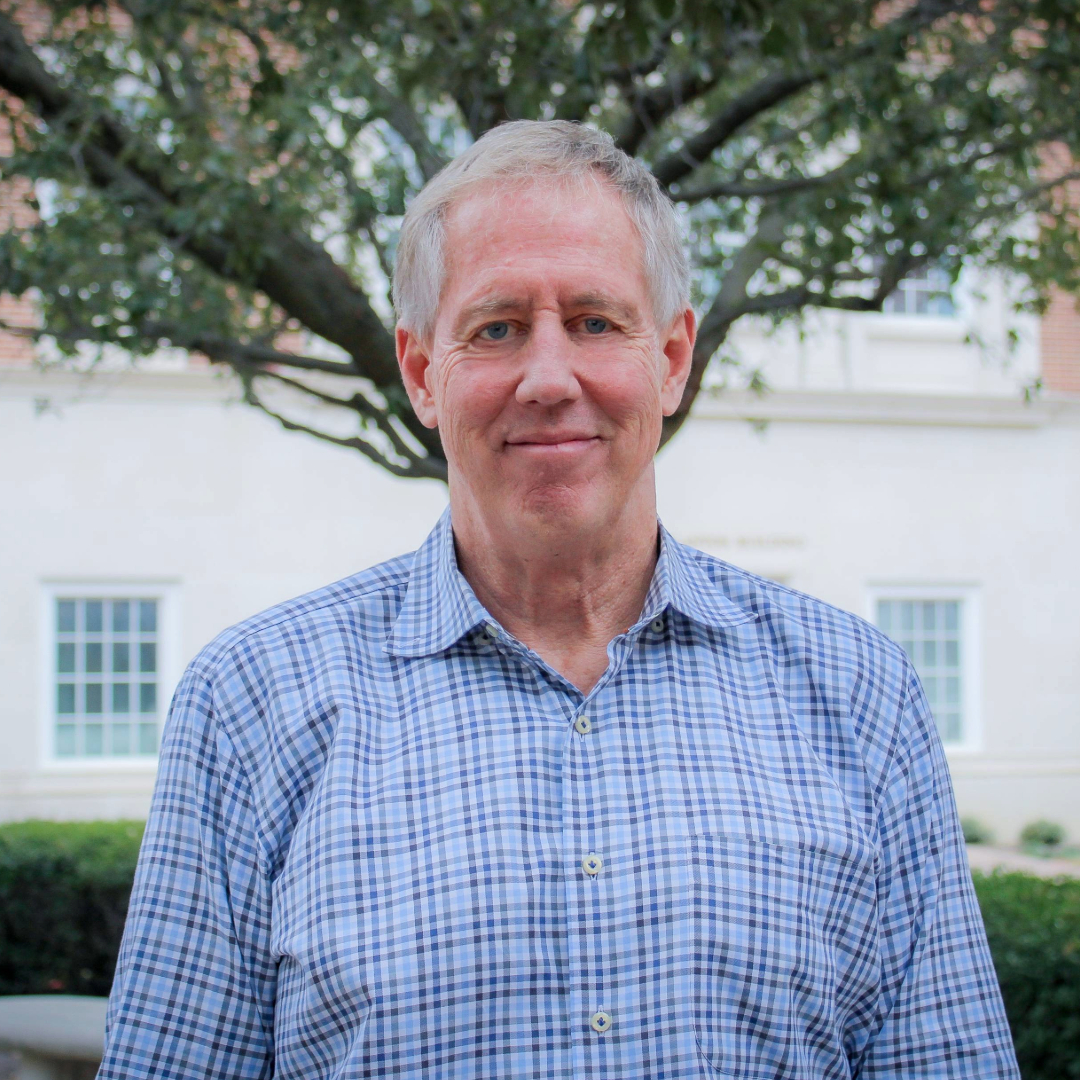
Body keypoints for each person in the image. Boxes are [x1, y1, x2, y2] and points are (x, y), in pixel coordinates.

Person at [98, 120, 1019, 1079]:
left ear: (670, 359)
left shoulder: (858, 692)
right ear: (422, 374)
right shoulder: (252, 704)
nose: (548, 378)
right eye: (496, 329)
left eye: (593, 322)